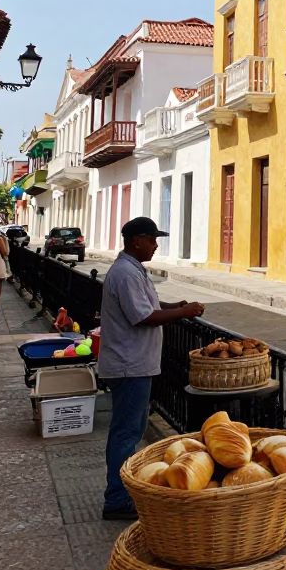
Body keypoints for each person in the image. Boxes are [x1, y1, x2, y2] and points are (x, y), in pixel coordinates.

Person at [98, 216, 205, 521]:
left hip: (135, 364)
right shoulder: (126, 274)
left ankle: (125, 491)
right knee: (126, 433)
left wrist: (175, 307)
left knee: (131, 430)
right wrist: (183, 312)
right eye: (152, 239)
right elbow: (142, 317)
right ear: (137, 241)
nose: (156, 245)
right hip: (129, 365)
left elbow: (150, 308)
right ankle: (117, 499)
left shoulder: (133, 270)